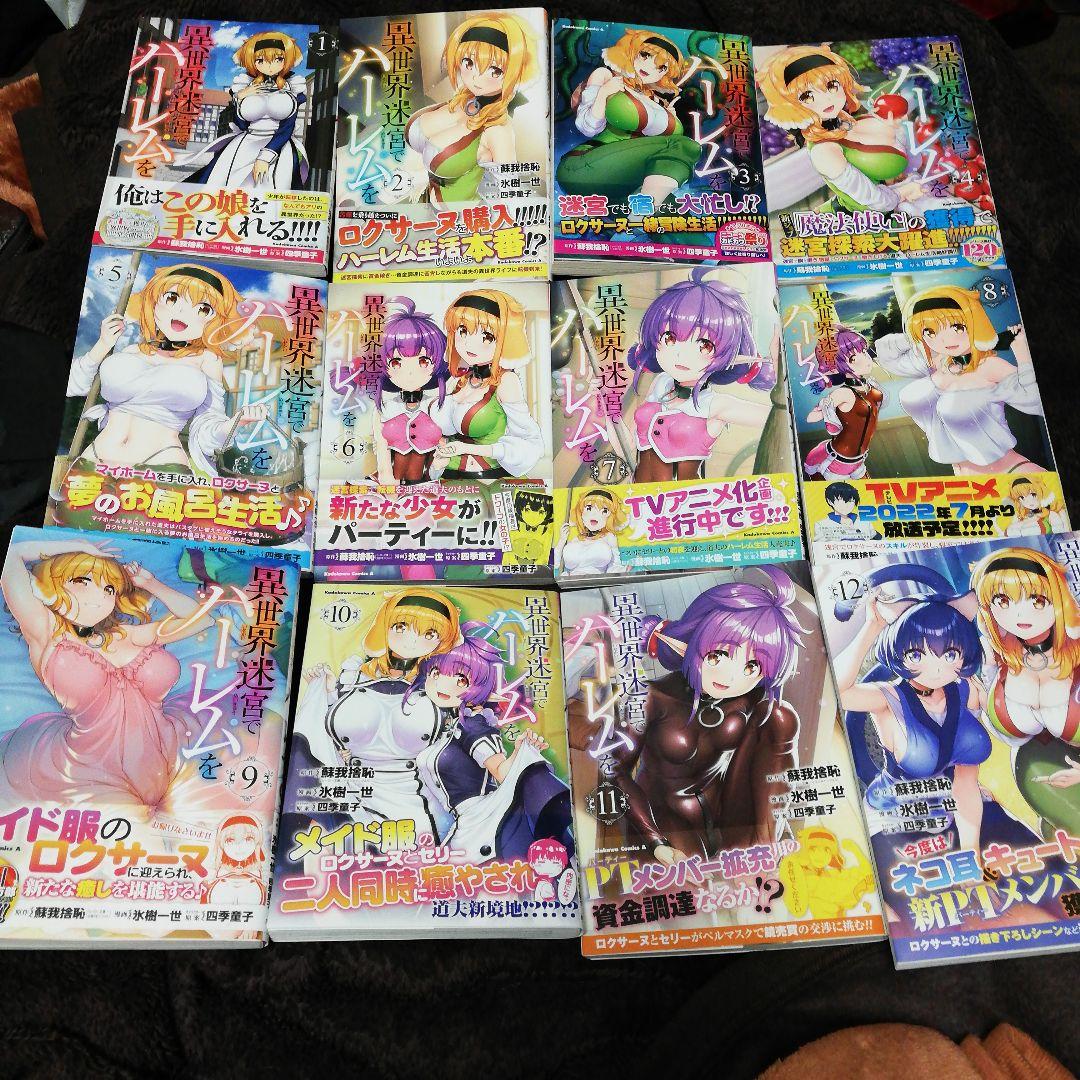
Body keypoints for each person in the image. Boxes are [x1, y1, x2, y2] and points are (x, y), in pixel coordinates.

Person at [0, 537, 218, 813]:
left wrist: (151, 584)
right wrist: (78, 546)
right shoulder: (46, 632)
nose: (100, 596)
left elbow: (203, 619)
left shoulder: (126, 635)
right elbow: (13, 555)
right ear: (51, 586)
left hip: (172, 756)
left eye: (109, 588)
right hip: (89, 773)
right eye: (82, 581)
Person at [607, 566, 804, 863]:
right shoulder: (651, 698)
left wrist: (770, 824)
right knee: (691, 877)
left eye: (752, 666)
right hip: (665, 814)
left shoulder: (750, 698)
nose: (731, 676)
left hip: (725, 806)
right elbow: (615, 770)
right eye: (718, 655)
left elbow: (773, 760)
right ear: (692, 640)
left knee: (780, 717)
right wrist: (654, 841)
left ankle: (768, 841)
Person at [64, 263, 267, 481]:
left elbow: (208, 423)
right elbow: (74, 386)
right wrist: (103, 344)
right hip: (95, 459)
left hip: (160, 465)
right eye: (172, 298)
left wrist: (235, 423)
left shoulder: (207, 359)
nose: (182, 312)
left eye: (203, 309)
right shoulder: (132, 350)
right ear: (154, 300)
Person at [296, 589, 462, 837]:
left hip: (412, 804)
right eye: (401, 627)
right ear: (384, 626)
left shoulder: (438, 686)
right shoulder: (354, 675)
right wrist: (326, 692)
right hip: (348, 794)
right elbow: (323, 734)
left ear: (444, 641)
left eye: (430, 634)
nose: (412, 640)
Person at [406, 630, 574, 862]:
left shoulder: (472, 725)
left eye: (461, 679)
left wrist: (520, 753)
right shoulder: (447, 727)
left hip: (484, 821)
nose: (444, 683)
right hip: (464, 824)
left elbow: (501, 772)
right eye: (436, 672)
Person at [757, 44, 962, 218]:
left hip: (895, 193)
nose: (826, 98)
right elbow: (872, 200)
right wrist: (902, 193)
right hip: (869, 219)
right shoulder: (824, 151)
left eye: (831, 85)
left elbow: (875, 146)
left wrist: (891, 128)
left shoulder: (842, 119)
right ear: (789, 106)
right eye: (807, 96)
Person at [874, 285, 1046, 474]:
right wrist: (915, 334)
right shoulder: (937, 362)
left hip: (1009, 472)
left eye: (957, 328)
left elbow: (1035, 402)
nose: (945, 340)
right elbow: (887, 356)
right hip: (966, 478)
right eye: (930, 332)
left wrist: (1022, 353)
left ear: (975, 324)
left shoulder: (988, 366)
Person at [626, 267, 774, 483]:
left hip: (684, 499)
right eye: (669, 338)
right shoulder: (661, 383)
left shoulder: (715, 405)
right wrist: (603, 404)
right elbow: (629, 443)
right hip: (638, 494)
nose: (681, 354)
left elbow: (778, 418)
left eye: (704, 345)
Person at [971, 548, 1080, 837]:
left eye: (1036, 600)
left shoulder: (1076, 650)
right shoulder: (999, 658)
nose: (1019, 614)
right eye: (1003, 601)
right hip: (1039, 786)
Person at [556, 28, 701, 208]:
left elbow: (658, 152)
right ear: (630, 51)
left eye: (661, 67)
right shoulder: (606, 76)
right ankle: (639, 216)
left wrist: (670, 117)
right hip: (584, 165)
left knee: (673, 210)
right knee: (686, 146)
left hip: (622, 180)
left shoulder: (655, 101)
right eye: (645, 55)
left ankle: (633, 218)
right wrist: (604, 93)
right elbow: (587, 127)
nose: (650, 67)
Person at [404, 13, 537, 203]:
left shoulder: (498, 130)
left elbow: (509, 191)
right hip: (414, 202)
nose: (476, 77)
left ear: (514, 74)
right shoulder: (462, 100)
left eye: (495, 70)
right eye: (469, 62)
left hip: (456, 216)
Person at [432, 289, 544, 481]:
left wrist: (466, 448)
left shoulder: (506, 381)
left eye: (487, 337)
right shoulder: (459, 379)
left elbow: (529, 442)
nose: (469, 344)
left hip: (491, 478)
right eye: (463, 331)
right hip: (449, 476)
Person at [181, 32, 310, 190]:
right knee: (222, 187)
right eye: (261, 60)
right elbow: (241, 124)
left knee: (273, 188)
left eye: (278, 59)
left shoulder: (292, 87)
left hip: (278, 147)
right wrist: (240, 98)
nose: (270, 66)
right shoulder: (246, 86)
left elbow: (287, 128)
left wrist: (266, 156)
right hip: (244, 145)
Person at [371, 297, 448, 486]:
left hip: (427, 483)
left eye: (423, 361)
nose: (411, 373)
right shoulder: (384, 408)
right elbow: (381, 447)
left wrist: (438, 466)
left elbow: (440, 459)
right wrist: (386, 478)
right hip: (389, 482)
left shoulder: (439, 406)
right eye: (396, 362)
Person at [804, 326, 883, 481]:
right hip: (838, 462)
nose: (865, 358)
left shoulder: (871, 388)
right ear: (837, 366)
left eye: (864, 351)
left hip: (859, 461)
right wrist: (825, 408)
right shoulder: (843, 393)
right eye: (853, 358)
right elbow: (811, 418)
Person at [554, 488, 626, 577]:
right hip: (570, 580)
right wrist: (562, 540)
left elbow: (614, 565)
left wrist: (623, 571)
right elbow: (556, 564)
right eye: (589, 508)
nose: (594, 515)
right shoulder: (576, 539)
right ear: (581, 512)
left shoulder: (609, 537)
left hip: (595, 581)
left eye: (604, 511)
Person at [812, 481, 879, 543]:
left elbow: (879, 540)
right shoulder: (821, 524)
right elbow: (820, 547)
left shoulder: (865, 522)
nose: (847, 505)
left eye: (851, 501)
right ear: (830, 501)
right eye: (841, 500)